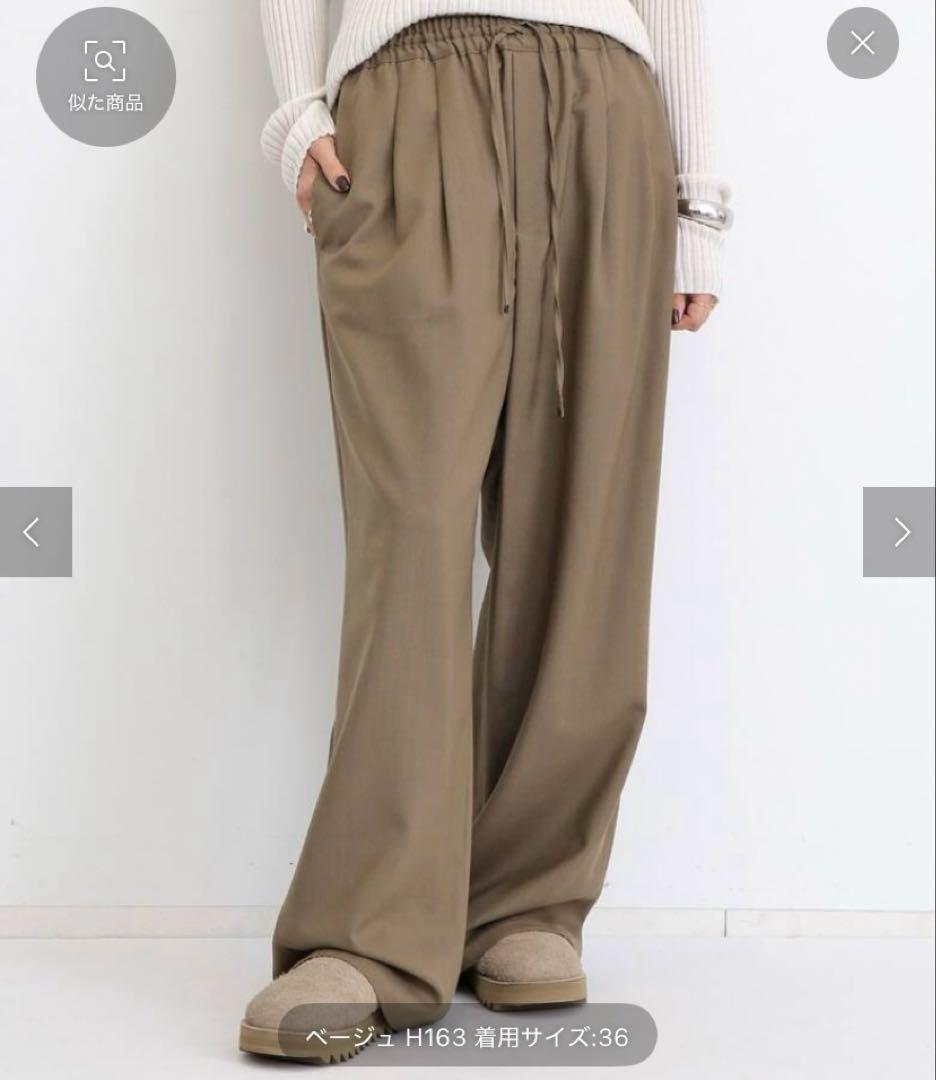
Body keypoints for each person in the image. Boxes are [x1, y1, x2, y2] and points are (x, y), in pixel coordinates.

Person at [240, 0, 732, 1063]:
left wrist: (699, 196)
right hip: (403, 93)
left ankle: (527, 898)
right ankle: (368, 933)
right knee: (408, 528)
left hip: (603, 101)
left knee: (582, 529)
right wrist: (295, 109)